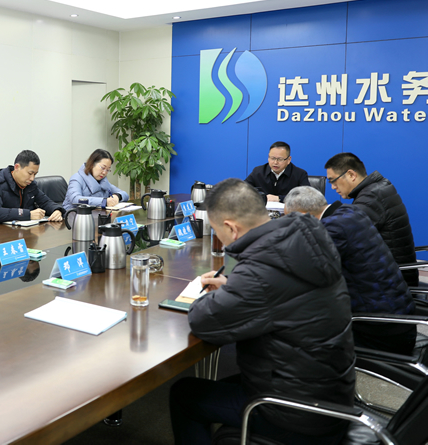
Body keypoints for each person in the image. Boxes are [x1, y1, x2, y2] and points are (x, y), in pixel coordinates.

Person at [170, 178, 354, 445]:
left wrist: (207, 294)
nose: (219, 239)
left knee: (184, 393)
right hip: (331, 393)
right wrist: (233, 286)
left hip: (296, 415)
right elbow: (279, 292)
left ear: (231, 228)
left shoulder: (260, 270)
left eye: (217, 232)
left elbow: (203, 320)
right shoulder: (305, 238)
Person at [285, 186, 416, 355]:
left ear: (304, 216)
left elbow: (301, 272)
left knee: (294, 334)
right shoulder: (351, 212)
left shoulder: (331, 230)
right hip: (399, 318)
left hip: (380, 332)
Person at [324, 152, 417, 286]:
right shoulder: (376, 188)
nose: (333, 187)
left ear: (351, 175)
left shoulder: (371, 197)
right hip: (391, 271)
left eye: (333, 180)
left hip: (391, 281)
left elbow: (343, 234)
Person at [0, 150, 64, 224]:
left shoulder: (30, 185)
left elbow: (45, 202)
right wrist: (28, 214)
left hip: (20, 232)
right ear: (17, 167)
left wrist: (57, 210)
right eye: (30, 173)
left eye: (35, 174)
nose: (32, 178)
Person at [63, 149, 128, 211]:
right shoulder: (76, 178)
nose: (104, 172)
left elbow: (125, 194)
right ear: (92, 164)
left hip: (98, 215)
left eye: (108, 170)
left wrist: (117, 196)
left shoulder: (103, 181)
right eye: (103, 168)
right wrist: (104, 201)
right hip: (74, 215)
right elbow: (76, 199)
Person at [245, 141, 309, 203]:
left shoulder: (299, 174)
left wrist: (280, 198)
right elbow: (243, 189)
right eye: (272, 158)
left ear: (289, 159)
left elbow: (307, 196)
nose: (275, 162)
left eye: (280, 159)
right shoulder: (258, 172)